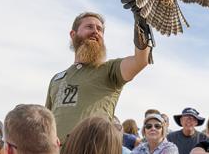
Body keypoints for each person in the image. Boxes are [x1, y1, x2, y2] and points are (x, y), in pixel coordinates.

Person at [45, 10, 153, 142]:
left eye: (100, 29)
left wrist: (141, 25)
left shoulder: (109, 70)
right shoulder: (57, 78)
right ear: (73, 34)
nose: (96, 31)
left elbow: (140, 60)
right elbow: (47, 120)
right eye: (89, 27)